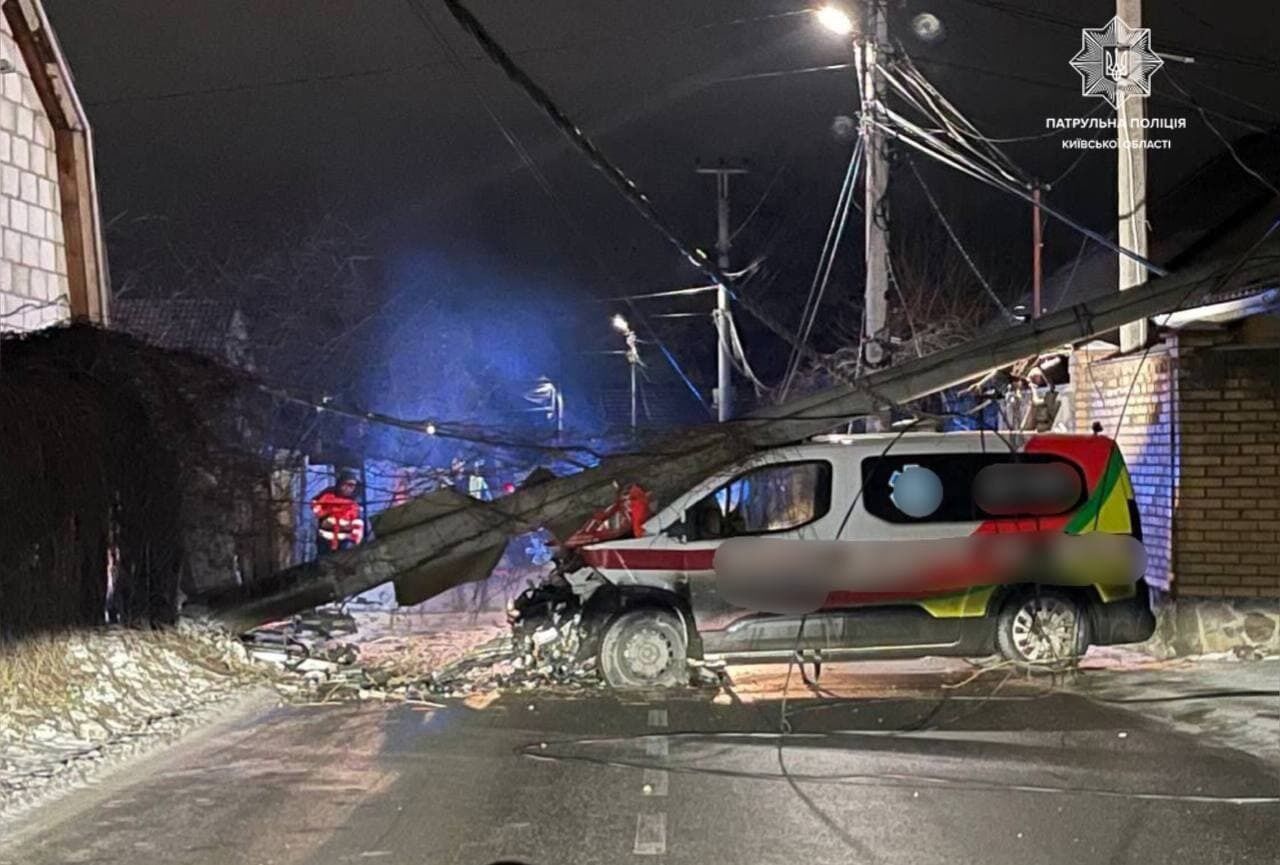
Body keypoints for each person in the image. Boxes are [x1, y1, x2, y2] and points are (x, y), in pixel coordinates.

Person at [311, 470, 365, 554]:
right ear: (340, 483)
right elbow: (316, 508)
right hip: (325, 539)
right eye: (347, 484)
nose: (350, 488)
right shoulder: (328, 495)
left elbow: (358, 526)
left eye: (353, 485)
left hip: (345, 542)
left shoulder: (355, 504)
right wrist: (327, 513)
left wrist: (353, 542)